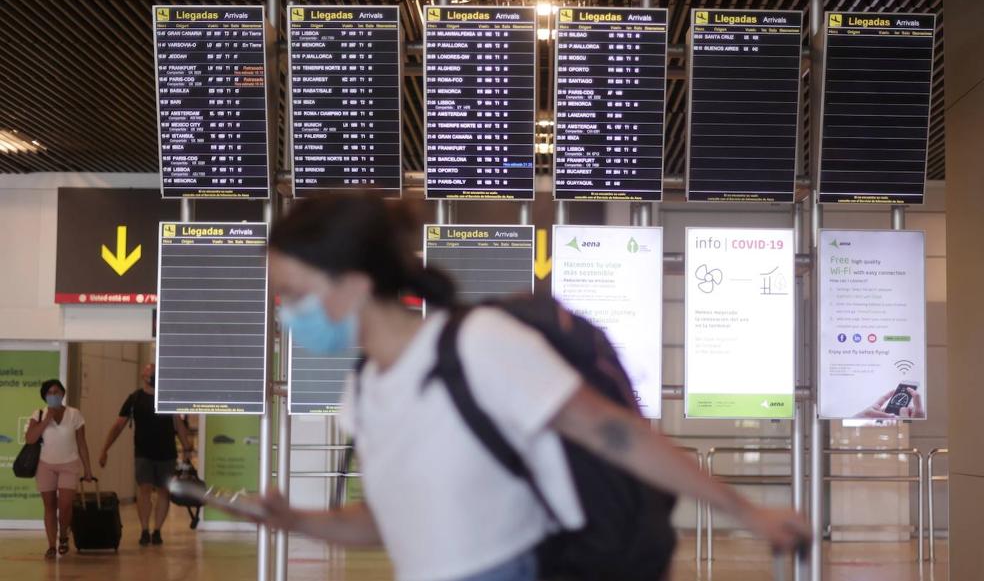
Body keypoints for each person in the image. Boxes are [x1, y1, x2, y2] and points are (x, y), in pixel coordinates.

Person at [257, 194, 809, 581]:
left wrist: (745, 510)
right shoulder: (364, 391)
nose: (286, 313)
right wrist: (300, 522)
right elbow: (393, 523)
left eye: (294, 294)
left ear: (354, 286)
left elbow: (616, 433)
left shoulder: (476, 345)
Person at [99, 363, 192, 546]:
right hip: (143, 453)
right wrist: (105, 449)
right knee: (144, 490)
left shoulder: (167, 398)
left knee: (164, 492)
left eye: (155, 371)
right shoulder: (135, 399)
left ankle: (157, 530)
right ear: (144, 376)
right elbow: (118, 425)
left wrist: (187, 447)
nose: (151, 373)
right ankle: (144, 529)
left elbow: (178, 425)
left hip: (167, 454)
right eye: (150, 371)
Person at [24, 379, 94, 560]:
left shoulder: (74, 414)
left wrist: (88, 469)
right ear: (44, 396)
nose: (53, 395)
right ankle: (50, 545)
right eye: (49, 393)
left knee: (65, 505)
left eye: (57, 392)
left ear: (63, 394)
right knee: (49, 506)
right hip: (45, 465)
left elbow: (82, 443)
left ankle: (63, 535)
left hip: (69, 464)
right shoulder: (38, 414)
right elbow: (30, 439)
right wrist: (46, 419)